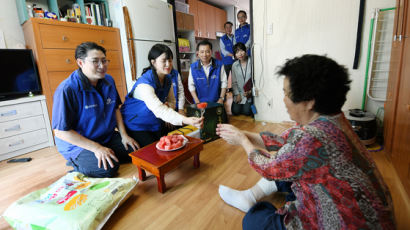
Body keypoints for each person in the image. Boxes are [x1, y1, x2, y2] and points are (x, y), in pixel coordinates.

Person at [216, 54, 395, 229]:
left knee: (254, 220)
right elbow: (283, 141)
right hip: (373, 214)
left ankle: (254, 200)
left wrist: (242, 141)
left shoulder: (311, 138)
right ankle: (253, 195)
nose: (283, 100)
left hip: (345, 221)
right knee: (291, 172)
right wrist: (242, 133)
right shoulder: (334, 119)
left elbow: (269, 169)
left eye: (286, 94)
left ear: (309, 102)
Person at [52, 42, 139, 178]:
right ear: (80, 63)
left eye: (104, 61)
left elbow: (115, 108)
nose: (102, 66)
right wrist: (96, 148)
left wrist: (124, 135)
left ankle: (104, 153)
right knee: (109, 169)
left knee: (136, 152)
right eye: (95, 61)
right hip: (78, 145)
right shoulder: (68, 89)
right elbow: (60, 132)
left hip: (105, 137)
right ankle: (76, 162)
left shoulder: (108, 80)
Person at [121, 44, 203, 147]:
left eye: (170, 60)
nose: (168, 64)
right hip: (137, 124)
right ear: (153, 62)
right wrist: (185, 119)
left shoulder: (167, 79)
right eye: (164, 61)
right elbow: (159, 109)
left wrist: (169, 112)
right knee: (156, 149)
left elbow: (172, 101)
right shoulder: (144, 84)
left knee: (178, 140)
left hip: (155, 121)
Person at [188, 40, 227, 104]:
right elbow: (191, 85)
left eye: (207, 52)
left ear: (211, 52)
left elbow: (224, 82)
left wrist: (221, 98)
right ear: (198, 53)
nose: (204, 55)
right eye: (202, 52)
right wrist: (196, 100)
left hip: (217, 102)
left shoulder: (219, 65)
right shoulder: (193, 67)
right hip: (200, 102)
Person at [231, 42, 253, 116]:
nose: (240, 54)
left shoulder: (252, 61)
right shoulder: (234, 65)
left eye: (241, 51)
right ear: (235, 55)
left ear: (245, 51)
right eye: (237, 52)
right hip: (240, 92)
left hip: (249, 93)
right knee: (235, 111)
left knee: (247, 112)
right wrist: (237, 94)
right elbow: (234, 82)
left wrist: (250, 91)